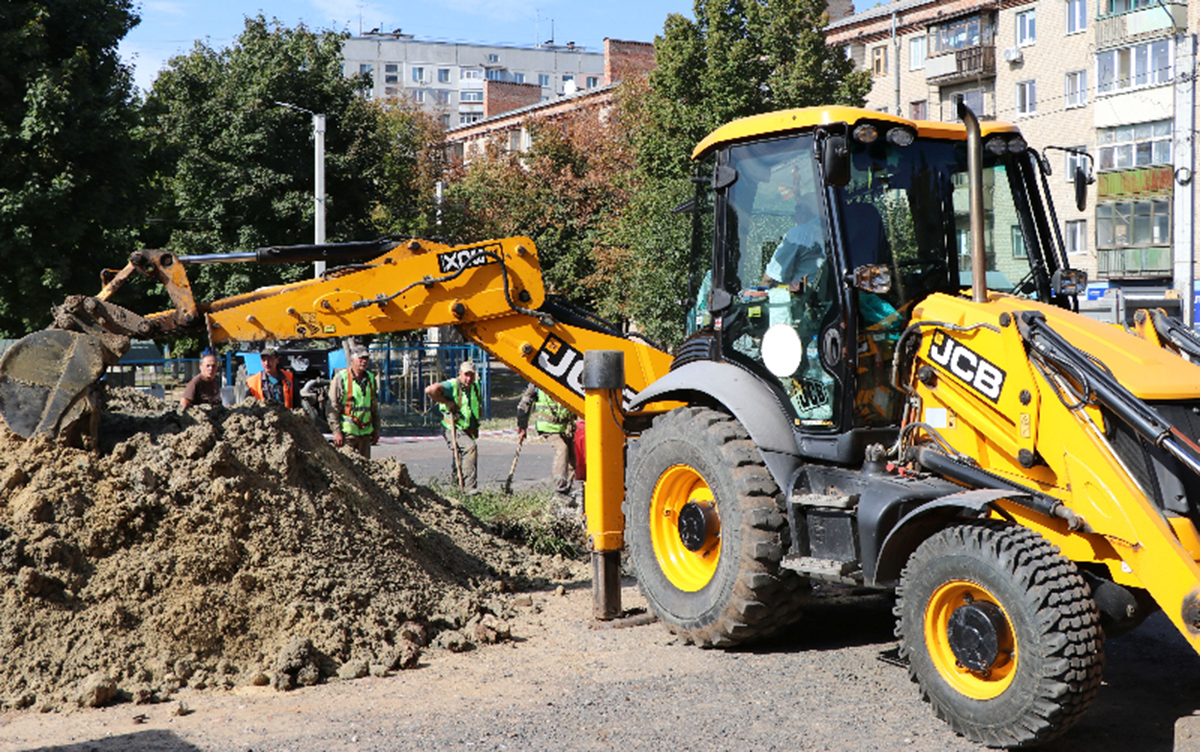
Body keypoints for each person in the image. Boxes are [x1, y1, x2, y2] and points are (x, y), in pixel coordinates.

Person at [426, 360, 482, 492]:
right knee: (470, 448)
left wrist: (474, 428)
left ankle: (456, 486)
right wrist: (446, 402)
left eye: (471, 375)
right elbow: (430, 390)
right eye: (466, 375)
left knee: (460, 455)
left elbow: (476, 408)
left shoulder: (475, 387)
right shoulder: (453, 385)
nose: (469, 378)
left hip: (466, 428)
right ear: (460, 374)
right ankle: (469, 488)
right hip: (452, 427)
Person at [516, 383, 576, 501]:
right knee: (562, 449)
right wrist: (522, 427)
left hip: (565, 427)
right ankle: (560, 488)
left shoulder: (567, 379)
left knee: (572, 459)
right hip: (548, 426)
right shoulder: (537, 383)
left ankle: (567, 489)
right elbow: (524, 404)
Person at [327, 345, 380, 459]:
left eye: (366, 359)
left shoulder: (370, 378)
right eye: (361, 358)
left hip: (365, 433)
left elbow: (373, 407)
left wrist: (376, 430)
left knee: (365, 469)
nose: (364, 361)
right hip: (348, 435)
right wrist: (336, 432)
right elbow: (332, 406)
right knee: (348, 469)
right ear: (352, 360)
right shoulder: (341, 378)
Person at [763, 197, 825, 290]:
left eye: (797, 211)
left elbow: (770, 278)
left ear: (807, 212)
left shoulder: (798, 234)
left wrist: (758, 296)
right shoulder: (833, 230)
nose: (795, 218)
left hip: (806, 297)